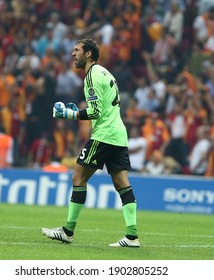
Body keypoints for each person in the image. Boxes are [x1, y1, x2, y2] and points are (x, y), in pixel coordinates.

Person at [41, 38, 140, 247]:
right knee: (122, 183)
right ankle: (132, 236)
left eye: (76, 50)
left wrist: (69, 114)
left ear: (88, 54)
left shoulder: (92, 76)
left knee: (78, 178)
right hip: (118, 135)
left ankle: (67, 231)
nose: (72, 53)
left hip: (104, 135)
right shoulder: (105, 73)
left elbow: (96, 111)